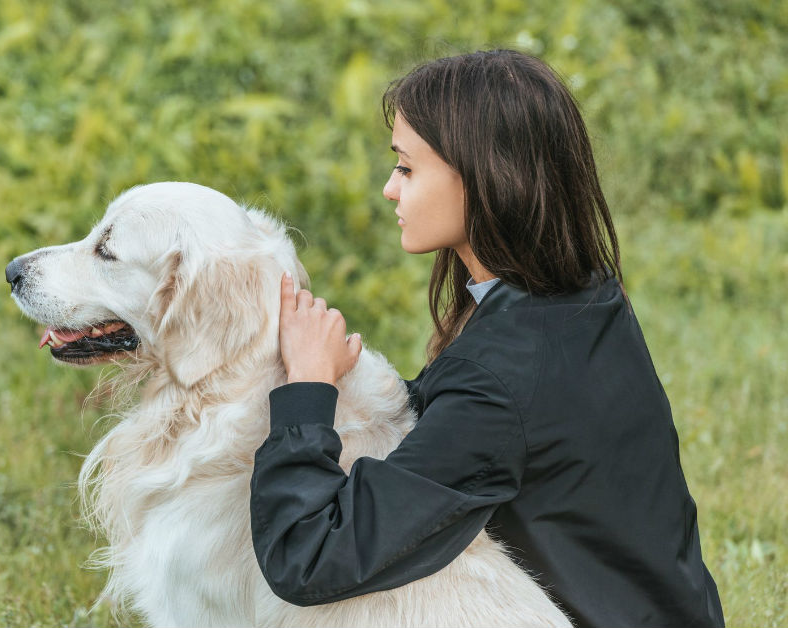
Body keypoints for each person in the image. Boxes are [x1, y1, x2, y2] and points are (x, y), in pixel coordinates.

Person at [249, 49, 725, 628]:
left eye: (406, 167)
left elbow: (311, 558)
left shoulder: (500, 375)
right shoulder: (584, 297)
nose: (388, 190)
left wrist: (306, 389)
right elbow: (473, 436)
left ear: (484, 176)